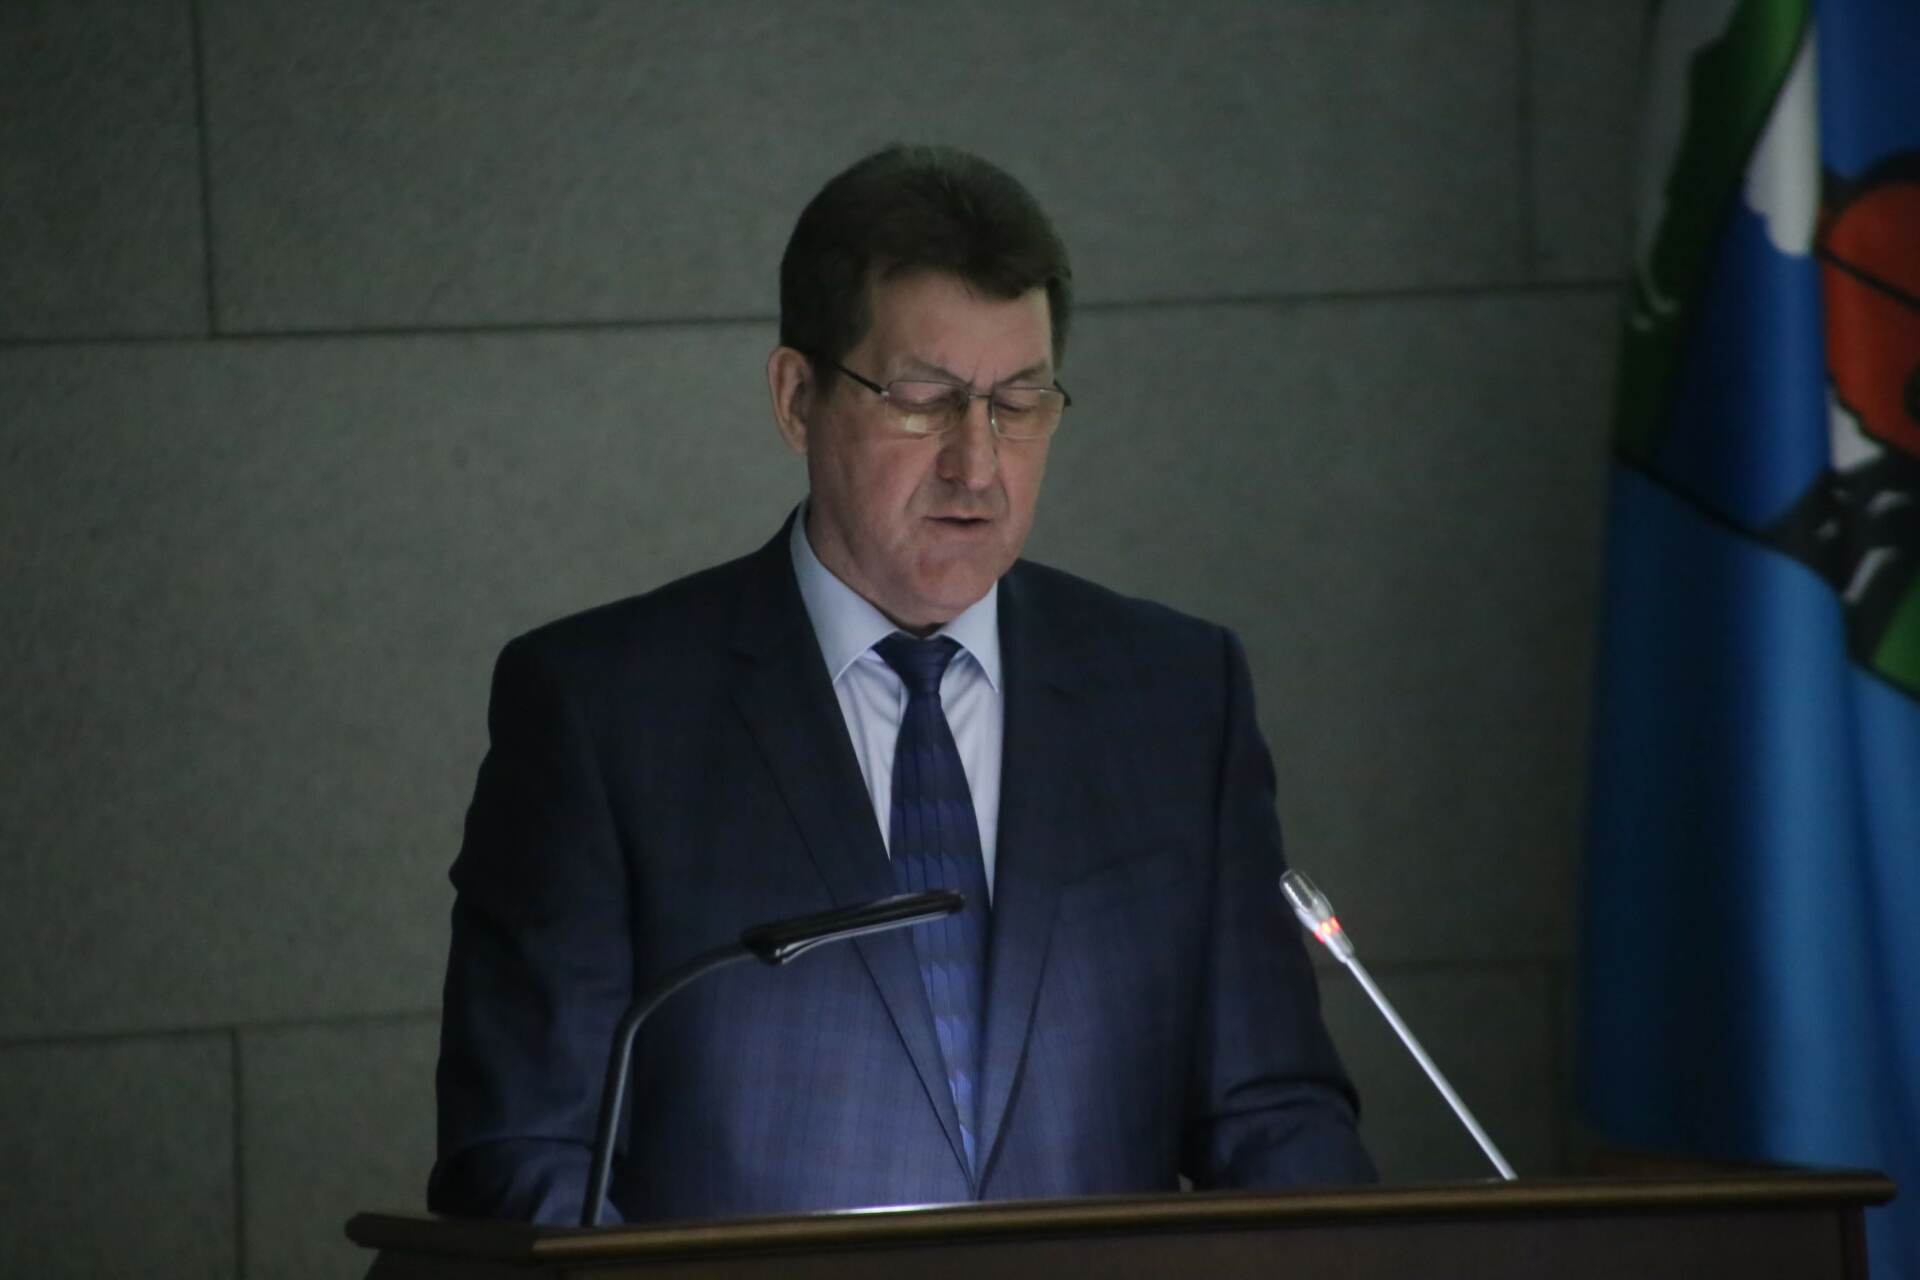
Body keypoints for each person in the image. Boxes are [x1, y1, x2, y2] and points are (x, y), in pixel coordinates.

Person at [428, 144, 1375, 1225]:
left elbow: (1273, 1118)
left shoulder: (1174, 698)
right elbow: (529, 1159)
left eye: (1020, 403)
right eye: (926, 401)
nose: (978, 463)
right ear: (798, 398)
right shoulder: (602, 712)